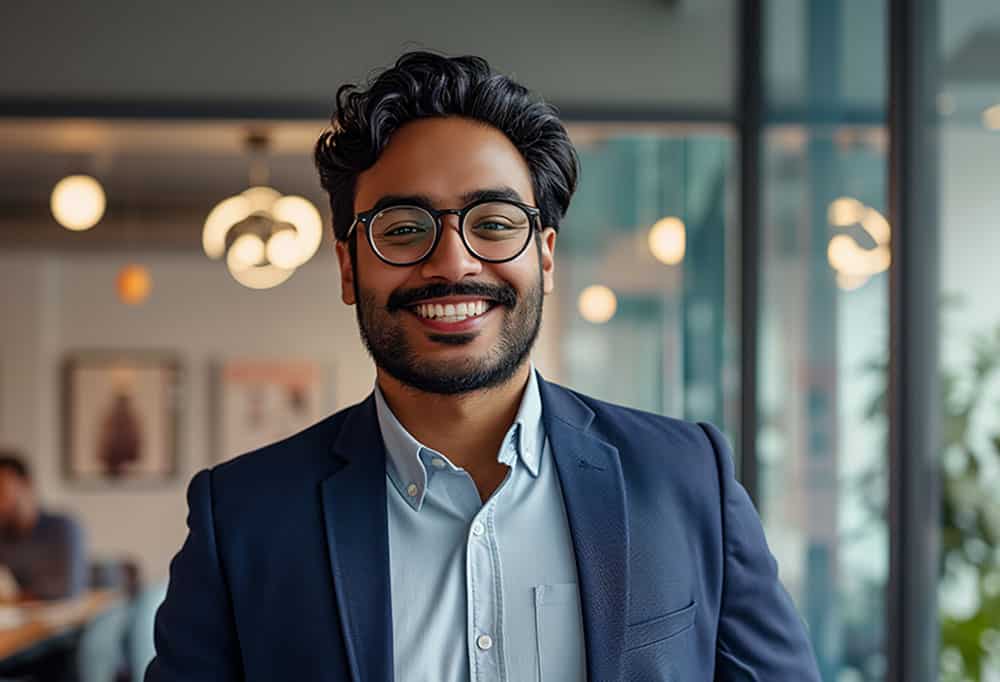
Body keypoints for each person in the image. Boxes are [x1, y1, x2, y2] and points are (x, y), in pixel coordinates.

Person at [146, 52, 821, 681]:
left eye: (494, 223)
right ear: (349, 267)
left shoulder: (685, 477)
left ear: (546, 255)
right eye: (404, 228)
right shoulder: (243, 518)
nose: (453, 263)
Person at [0, 452, 87, 601]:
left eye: (2, 489)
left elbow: (66, 589)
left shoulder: (63, 528)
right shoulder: (4, 535)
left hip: (72, 616)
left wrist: (17, 594)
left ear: (26, 484)